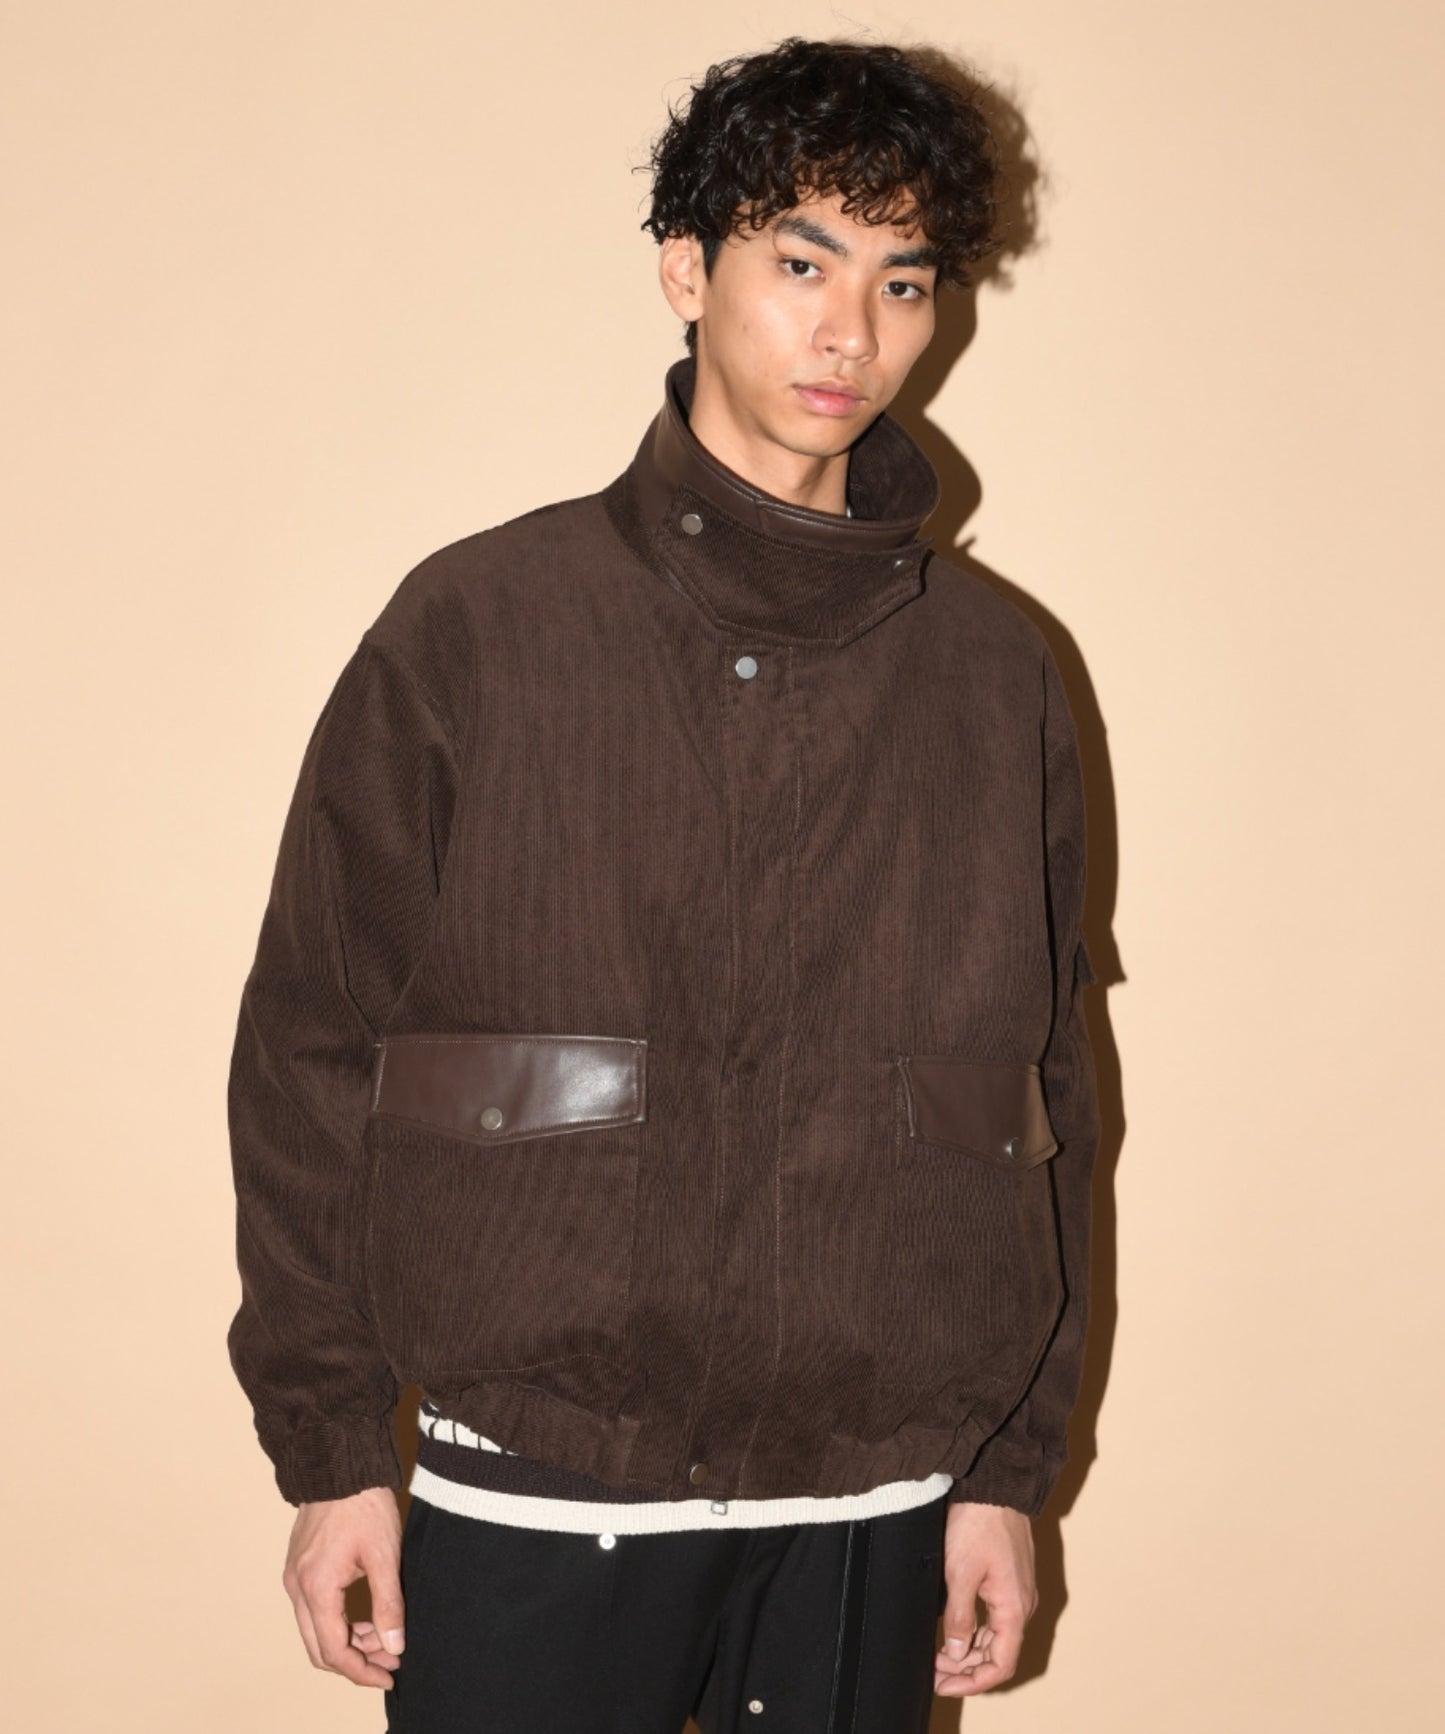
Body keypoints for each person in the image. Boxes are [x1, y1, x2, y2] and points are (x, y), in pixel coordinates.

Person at [224, 34, 1102, 1732]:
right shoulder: (481, 625)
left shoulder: (997, 676)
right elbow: (311, 1042)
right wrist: (332, 1445)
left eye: (902, 279)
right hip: (538, 1485)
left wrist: (1004, 1468)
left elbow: (1048, 1088)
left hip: (871, 1506)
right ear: (686, 269)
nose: (852, 334)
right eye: (801, 264)